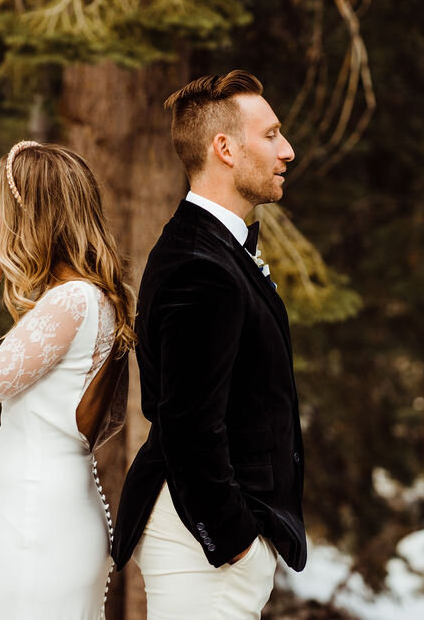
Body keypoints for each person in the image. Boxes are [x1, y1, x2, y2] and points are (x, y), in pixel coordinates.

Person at [111, 70, 307, 618]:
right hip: (205, 549)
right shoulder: (200, 266)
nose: (286, 151)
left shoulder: (216, 251)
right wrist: (232, 538)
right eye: (270, 135)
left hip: (214, 546)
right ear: (224, 147)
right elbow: (188, 421)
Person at [0, 141, 134, 620]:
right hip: (48, 509)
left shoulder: (70, 301)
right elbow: (78, 416)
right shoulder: (96, 297)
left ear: (30, 216)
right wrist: (10, 465)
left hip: (44, 524)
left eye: (2, 209)